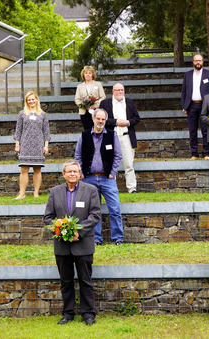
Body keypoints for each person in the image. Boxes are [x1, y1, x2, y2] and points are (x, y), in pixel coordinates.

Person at [44, 159, 101, 326]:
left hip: (83, 244)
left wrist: (78, 230)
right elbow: (48, 218)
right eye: (69, 171)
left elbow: (95, 215)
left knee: (85, 280)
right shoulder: (55, 192)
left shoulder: (90, 190)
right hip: (62, 246)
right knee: (66, 281)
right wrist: (59, 228)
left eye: (75, 171)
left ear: (80, 173)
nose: (72, 174)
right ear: (63, 174)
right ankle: (68, 313)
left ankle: (88, 314)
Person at [74, 109, 124, 245]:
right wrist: (80, 172)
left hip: (108, 179)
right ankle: (96, 238)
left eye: (103, 119)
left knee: (114, 209)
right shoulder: (84, 136)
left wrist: (113, 172)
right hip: (89, 179)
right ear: (93, 119)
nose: (101, 121)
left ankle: (118, 238)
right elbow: (77, 155)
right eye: (98, 119)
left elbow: (118, 155)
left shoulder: (112, 135)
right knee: (93, 211)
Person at [100, 83, 141, 193]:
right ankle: (112, 188)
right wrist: (116, 122)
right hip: (111, 137)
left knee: (129, 164)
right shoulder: (105, 103)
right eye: (117, 90)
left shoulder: (130, 102)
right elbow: (101, 120)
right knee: (111, 163)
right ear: (113, 91)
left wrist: (127, 122)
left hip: (126, 136)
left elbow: (137, 118)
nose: (120, 92)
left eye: (122, 90)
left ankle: (132, 188)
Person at [14, 91, 51, 199]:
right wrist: (17, 144)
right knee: (24, 169)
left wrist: (46, 145)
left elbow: (46, 131)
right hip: (25, 144)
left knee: (37, 169)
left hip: (38, 144)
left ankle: (36, 193)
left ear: (37, 100)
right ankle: (22, 193)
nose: (31, 101)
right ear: (26, 101)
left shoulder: (43, 114)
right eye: (29, 100)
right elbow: (18, 130)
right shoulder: (22, 114)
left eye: (33, 99)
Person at [181, 53, 209, 160]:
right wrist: (184, 106)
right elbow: (184, 91)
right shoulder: (188, 75)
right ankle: (194, 153)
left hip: (205, 106)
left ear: (203, 62)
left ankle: (206, 153)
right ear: (193, 62)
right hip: (191, 106)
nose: (198, 62)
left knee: (206, 130)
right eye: (196, 60)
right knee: (192, 130)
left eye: (200, 60)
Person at [75, 65, 106, 131]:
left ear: (93, 74)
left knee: (96, 129)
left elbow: (103, 97)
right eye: (86, 73)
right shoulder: (79, 86)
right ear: (83, 75)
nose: (88, 75)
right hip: (84, 112)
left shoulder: (98, 84)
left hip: (95, 111)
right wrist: (83, 105)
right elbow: (77, 99)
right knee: (87, 130)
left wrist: (95, 105)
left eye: (89, 73)